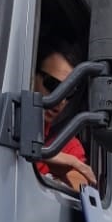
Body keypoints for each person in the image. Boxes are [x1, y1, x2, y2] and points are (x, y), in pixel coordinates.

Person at [33, 40, 97, 191]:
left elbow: (81, 190)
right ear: (31, 75)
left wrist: (62, 174)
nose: (60, 100)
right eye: (52, 85)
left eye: (68, 92)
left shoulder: (68, 147)